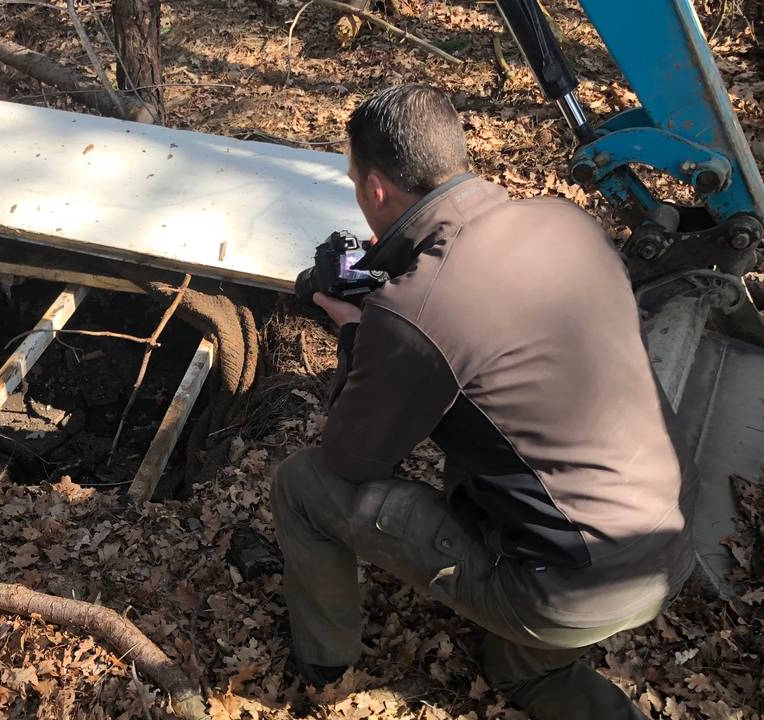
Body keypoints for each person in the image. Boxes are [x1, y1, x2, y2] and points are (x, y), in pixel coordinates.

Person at [271, 84, 695, 720]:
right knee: (509, 670)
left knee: (302, 485)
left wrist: (357, 331)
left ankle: (326, 669)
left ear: (376, 190)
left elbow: (351, 460)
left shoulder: (415, 310)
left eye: (356, 180)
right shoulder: (567, 221)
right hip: (668, 547)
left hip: (565, 592)